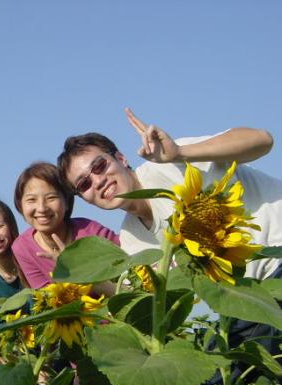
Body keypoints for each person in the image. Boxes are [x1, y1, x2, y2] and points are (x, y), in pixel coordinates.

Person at [57, 108, 280, 280]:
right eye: (84, 184)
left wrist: (180, 153)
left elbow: (262, 140)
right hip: (255, 294)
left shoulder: (170, 163)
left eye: (99, 166)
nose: (98, 181)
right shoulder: (132, 240)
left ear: (121, 158)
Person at [12, 161, 119, 295]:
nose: (42, 208)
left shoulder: (92, 232)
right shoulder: (22, 248)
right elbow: (47, 299)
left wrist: (77, 270)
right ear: (20, 205)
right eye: (31, 200)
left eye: (51, 197)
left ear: (67, 202)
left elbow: (129, 277)